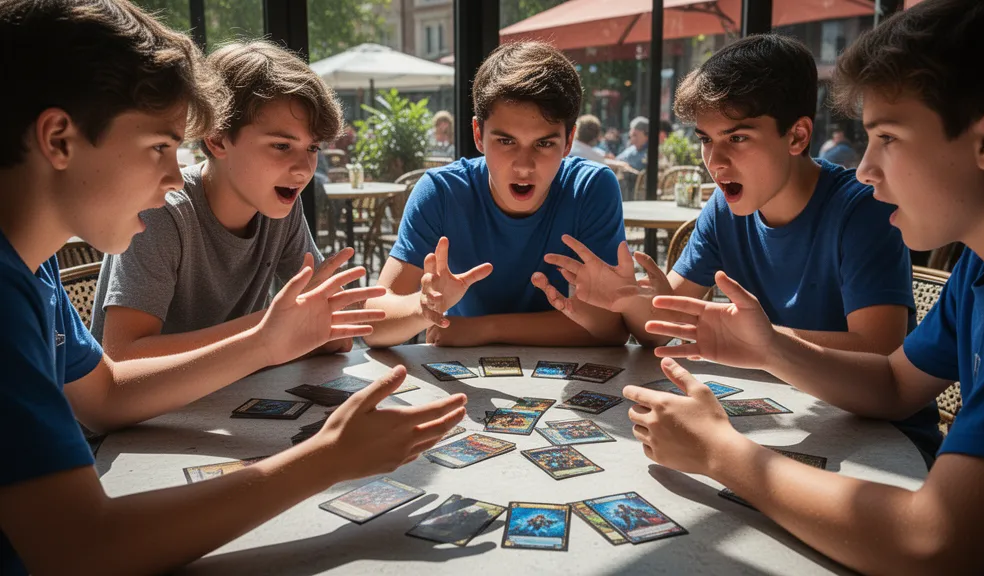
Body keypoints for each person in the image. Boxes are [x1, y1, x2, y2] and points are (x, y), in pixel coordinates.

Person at [0, 2, 466, 574]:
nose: (173, 175)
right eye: (159, 147)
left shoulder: (31, 267)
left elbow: (107, 394)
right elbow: (79, 548)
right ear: (59, 139)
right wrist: (324, 458)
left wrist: (284, 339)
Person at [627, 1, 984, 573]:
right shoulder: (979, 268)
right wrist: (766, 348)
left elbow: (934, 542)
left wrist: (723, 453)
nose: (864, 169)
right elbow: (893, 381)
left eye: (887, 137)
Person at [538, 34, 939, 459]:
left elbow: (881, 352)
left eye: (738, 138)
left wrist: (757, 341)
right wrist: (628, 300)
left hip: (888, 448)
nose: (716, 161)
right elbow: (666, 324)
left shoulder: (862, 209)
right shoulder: (725, 209)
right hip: (777, 424)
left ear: (798, 135)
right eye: (706, 139)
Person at [91, 40, 371, 361]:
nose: (304, 169)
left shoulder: (279, 208)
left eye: (312, 148)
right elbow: (124, 355)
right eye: (281, 146)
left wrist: (313, 324)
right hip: (152, 412)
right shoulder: (162, 212)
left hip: (233, 401)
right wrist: (269, 329)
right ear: (217, 139)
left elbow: (334, 334)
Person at [362, 41, 629, 348]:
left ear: (569, 141)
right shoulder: (441, 193)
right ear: (478, 134)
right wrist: (423, 308)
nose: (524, 166)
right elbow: (373, 327)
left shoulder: (591, 189)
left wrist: (485, 329)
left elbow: (610, 330)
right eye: (506, 141)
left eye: (544, 144)